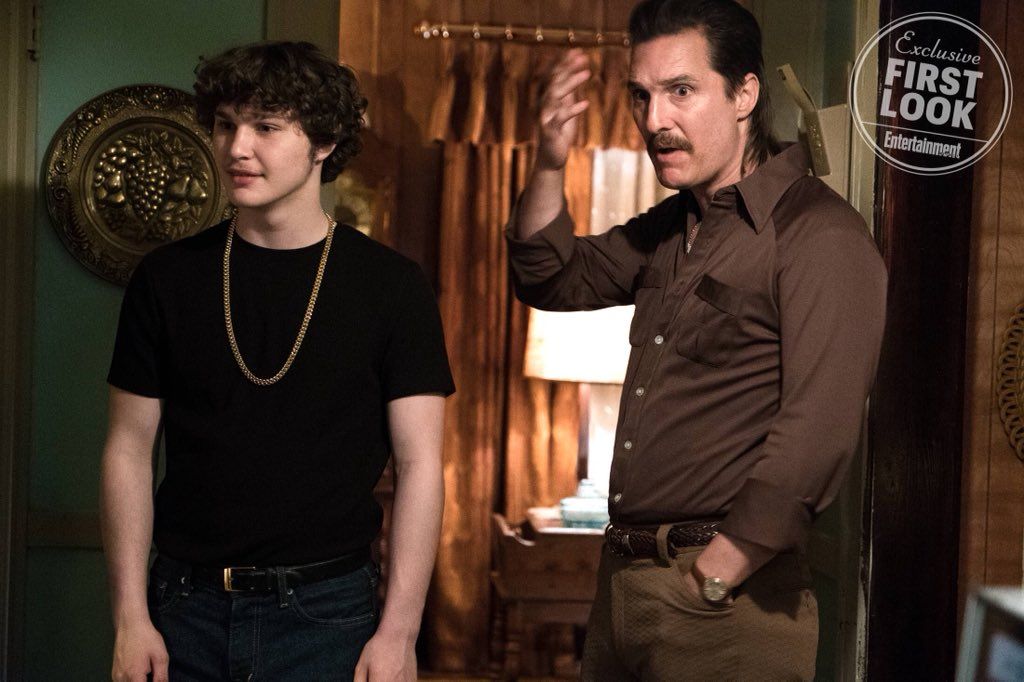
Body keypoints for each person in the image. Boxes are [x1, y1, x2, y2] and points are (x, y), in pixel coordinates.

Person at [506, 0, 887, 679]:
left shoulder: (818, 234)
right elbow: (549, 277)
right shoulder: (674, 226)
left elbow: (819, 428)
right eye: (641, 95)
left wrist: (716, 574)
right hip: (625, 586)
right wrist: (549, 160)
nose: (655, 119)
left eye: (681, 91)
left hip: (725, 601)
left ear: (745, 94)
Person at [100, 41, 454, 682]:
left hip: (329, 614)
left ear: (324, 142)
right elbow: (128, 449)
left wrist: (400, 633)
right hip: (183, 608)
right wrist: (130, 617)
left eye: (265, 126)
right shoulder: (167, 279)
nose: (237, 147)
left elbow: (420, 464)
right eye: (225, 124)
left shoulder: (392, 287)